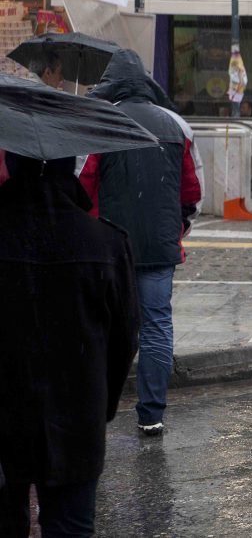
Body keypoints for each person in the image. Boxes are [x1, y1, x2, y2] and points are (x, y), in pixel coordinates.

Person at [0, 152, 139, 536]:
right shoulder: (107, 243)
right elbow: (125, 339)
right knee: (71, 528)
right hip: (77, 419)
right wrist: (101, 405)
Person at [78, 49, 204, 438]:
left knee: (105, 325)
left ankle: (99, 411)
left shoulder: (100, 122)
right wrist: (178, 229)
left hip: (110, 245)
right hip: (160, 247)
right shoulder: (177, 125)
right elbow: (193, 193)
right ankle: (151, 413)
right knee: (156, 325)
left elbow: (82, 186)